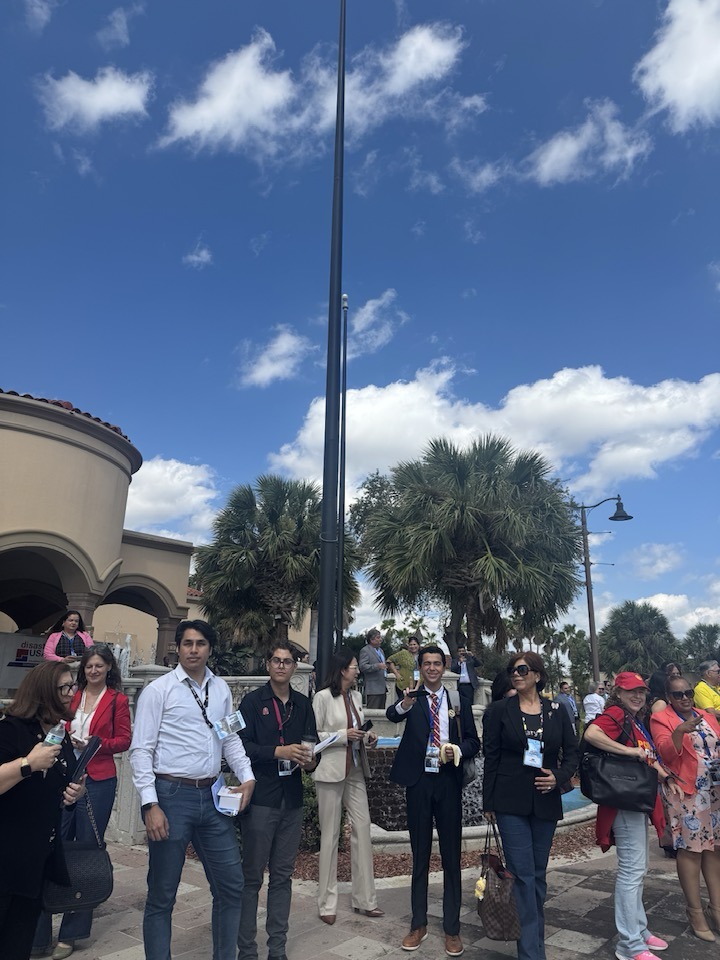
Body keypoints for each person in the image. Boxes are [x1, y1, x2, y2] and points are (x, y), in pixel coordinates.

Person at [129, 620, 255, 960]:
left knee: (231, 886)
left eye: (200, 643)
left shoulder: (221, 689)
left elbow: (230, 738)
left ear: (210, 648)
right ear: (178, 648)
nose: (194, 650)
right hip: (171, 797)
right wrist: (150, 804)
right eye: (187, 643)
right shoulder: (159, 691)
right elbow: (140, 750)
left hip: (213, 797)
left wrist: (247, 777)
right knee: (162, 894)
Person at [33, 645, 132, 959]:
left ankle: (72, 933)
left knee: (86, 850)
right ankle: (39, 932)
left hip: (98, 779)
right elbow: (55, 724)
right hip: (64, 774)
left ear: (108, 668)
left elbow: (125, 739)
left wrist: (95, 744)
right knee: (54, 845)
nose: (93, 671)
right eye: (89, 666)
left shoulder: (117, 700)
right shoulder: (72, 695)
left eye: (99, 666)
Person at [482, 652, 578, 960]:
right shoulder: (500, 711)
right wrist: (488, 802)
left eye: (522, 669)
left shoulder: (557, 711)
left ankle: (535, 945)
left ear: (537, 675)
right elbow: (491, 757)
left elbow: (573, 753)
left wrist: (559, 777)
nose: (516, 674)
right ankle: (531, 953)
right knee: (523, 875)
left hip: (545, 800)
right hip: (510, 801)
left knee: (537, 875)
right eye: (512, 670)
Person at [387, 644, 480, 957]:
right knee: (420, 855)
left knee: (451, 857)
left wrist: (458, 751)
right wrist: (405, 703)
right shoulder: (411, 697)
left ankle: (452, 929)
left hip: (448, 781)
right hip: (419, 782)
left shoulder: (458, 700)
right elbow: (391, 715)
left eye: (437, 663)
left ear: (444, 666)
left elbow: (474, 742)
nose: (431, 668)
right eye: (426, 663)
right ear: (420, 666)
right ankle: (418, 924)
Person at [584, 672, 683, 960]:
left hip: (634, 801)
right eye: (631, 691)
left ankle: (639, 930)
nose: (638, 696)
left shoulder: (634, 720)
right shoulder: (617, 714)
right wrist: (629, 751)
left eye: (641, 691)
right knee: (632, 871)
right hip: (623, 802)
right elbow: (591, 734)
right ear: (618, 693)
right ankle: (629, 944)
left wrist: (665, 777)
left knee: (637, 869)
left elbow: (647, 756)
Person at [237, 644, 319, 960]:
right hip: (261, 798)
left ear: (294, 667)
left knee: (283, 877)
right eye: (276, 660)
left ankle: (277, 948)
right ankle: (246, 950)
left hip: (292, 800)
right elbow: (240, 746)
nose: (282, 666)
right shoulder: (252, 702)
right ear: (268, 664)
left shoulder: (303, 704)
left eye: (287, 661)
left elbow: (312, 747)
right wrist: (278, 752)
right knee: (252, 877)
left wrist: (311, 761)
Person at [0, 661, 85, 960]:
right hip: (5, 857)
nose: (71, 693)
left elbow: (59, 785)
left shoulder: (60, 734)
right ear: (44, 691)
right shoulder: (10, 730)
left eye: (72, 686)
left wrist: (74, 793)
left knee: (18, 943)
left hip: (36, 860)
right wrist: (27, 764)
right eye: (64, 687)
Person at [312, 647, 382, 925]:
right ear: (343, 670)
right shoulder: (322, 697)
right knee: (329, 837)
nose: (357, 671)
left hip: (354, 769)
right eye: (354, 667)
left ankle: (366, 900)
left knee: (363, 828)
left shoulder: (356, 696)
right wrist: (343, 735)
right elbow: (314, 736)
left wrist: (367, 736)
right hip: (330, 772)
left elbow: (358, 730)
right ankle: (326, 903)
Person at [650, 675, 720, 941]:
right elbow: (665, 754)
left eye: (688, 693)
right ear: (668, 697)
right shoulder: (662, 719)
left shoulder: (707, 715)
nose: (685, 698)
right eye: (678, 694)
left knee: (715, 848)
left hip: (714, 791)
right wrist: (680, 731)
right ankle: (695, 912)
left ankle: (717, 908)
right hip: (686, 792)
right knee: (692, 850)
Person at [358, 628, 389, 709]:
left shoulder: (381, 651)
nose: (380, 639)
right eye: (378, 638)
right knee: (373, 712)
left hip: (382, 687)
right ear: (371, 640)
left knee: (381, 713)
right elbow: (362, 666)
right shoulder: (365, 650)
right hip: (372, 688)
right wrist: (377, 666)